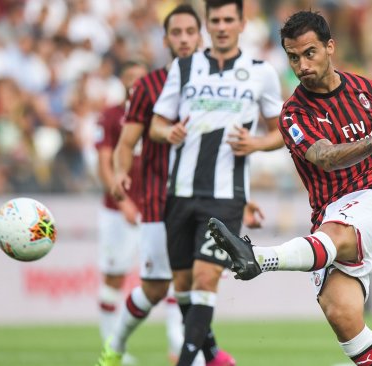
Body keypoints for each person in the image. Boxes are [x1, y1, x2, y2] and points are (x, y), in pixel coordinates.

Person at [208, 11, 372, 366]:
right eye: (293, 57)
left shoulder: (367, 90)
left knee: (337, 234)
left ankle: (259, 258)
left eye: (309, 53)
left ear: (330, 47)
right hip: (330, 214)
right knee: (341, 314)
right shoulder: (292, 115)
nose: (302, 64)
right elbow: (325, 158)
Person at [96, 5, 265, 366]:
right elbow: (126, 142)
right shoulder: (149, 85)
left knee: (197, 280)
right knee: (160, 287)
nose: (185, 39)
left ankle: (204, 355)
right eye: (177, 33)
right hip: (159, 200)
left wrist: (244, 199)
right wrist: (121, 174)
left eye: (191, 32)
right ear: (167, 39)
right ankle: (117, 346)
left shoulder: (219, 77)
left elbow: (222, 150)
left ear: (200, 35)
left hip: (207, 196)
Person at [149, 1, 284, 365]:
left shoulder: (260, 72)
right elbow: (155, 125)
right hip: (179, 193)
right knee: (183, 288)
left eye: (229, 20)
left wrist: (255, 143)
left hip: (225, 196)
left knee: (205, 279)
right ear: (207, 25)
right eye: (215, 21)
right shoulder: (183, 68)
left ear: (242, 23)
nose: (222, 27)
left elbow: (282, 132)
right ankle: (214, 357)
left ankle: (185, 362)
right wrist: (169, 131)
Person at [93, 60, 148, 364]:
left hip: (153, 207)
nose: (135, 83)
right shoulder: (112, 115)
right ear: (122, 82)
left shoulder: (159, 115)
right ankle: (111, 346)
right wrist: (123, 199)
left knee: (169, 276)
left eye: (140, 78)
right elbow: (104, 161)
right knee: (114, 277)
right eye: (129, 78)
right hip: (118, 211)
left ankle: (179, 344)